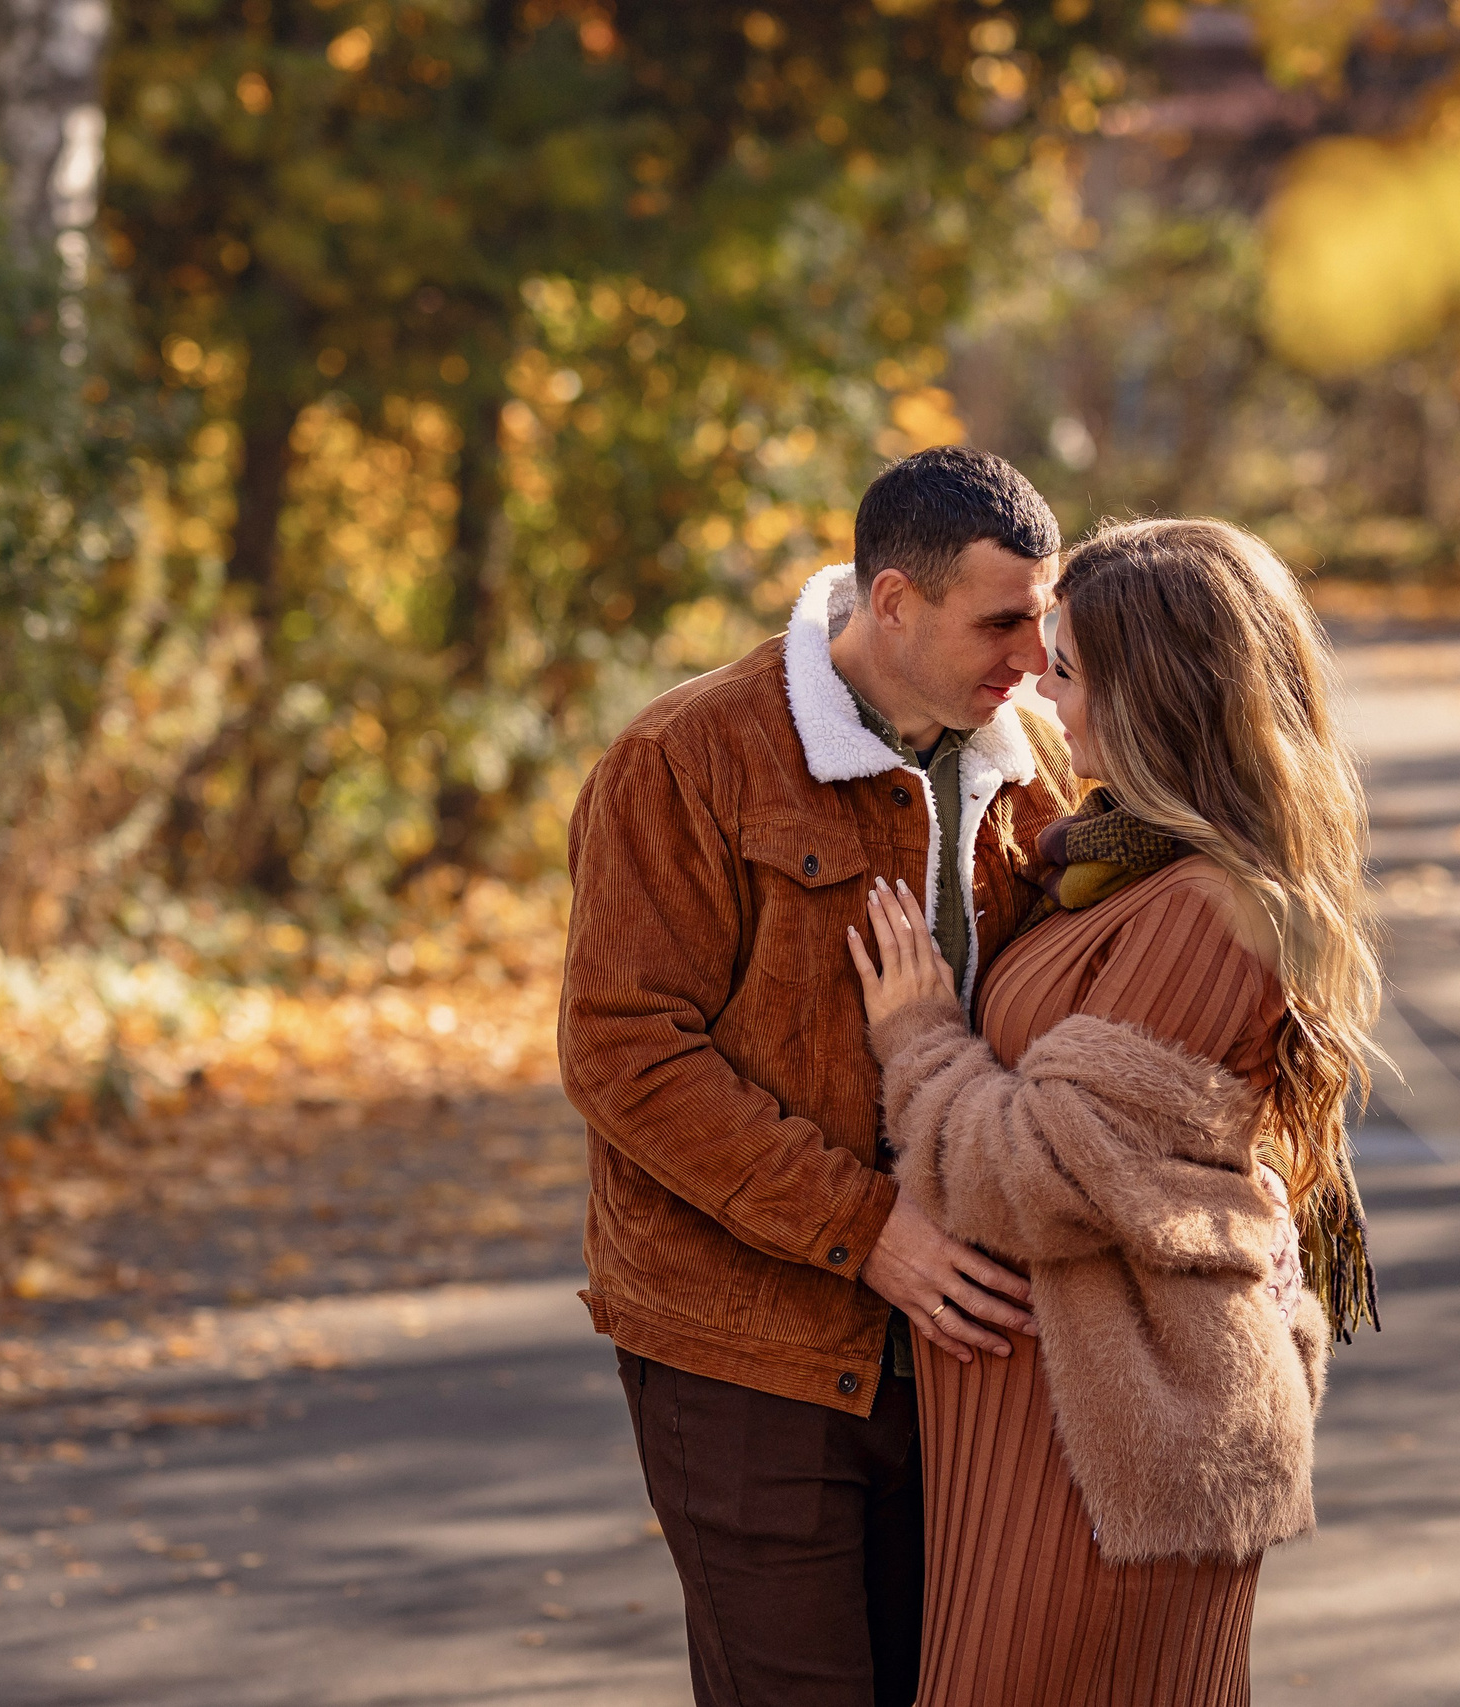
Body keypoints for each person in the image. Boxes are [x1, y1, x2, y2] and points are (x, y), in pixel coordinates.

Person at [558, 446, 1084, 1707]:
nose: (1030, 657)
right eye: (999, 621)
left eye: (1041, 619)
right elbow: (623, 1052)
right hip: (745, 1352)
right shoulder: (686, 759)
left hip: (964, 1367)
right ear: (892, 603)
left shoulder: (1035, 771)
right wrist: (866, 1232)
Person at [846, 516, 1381, 1707]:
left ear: (1156, 699)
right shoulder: (1115, 867)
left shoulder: (1205, 911)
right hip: (1058, 1440)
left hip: (1115, 1460)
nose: (1041, 681)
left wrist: (918, 1039)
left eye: (1071, 667)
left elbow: (1038, 1169)